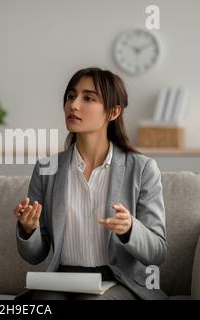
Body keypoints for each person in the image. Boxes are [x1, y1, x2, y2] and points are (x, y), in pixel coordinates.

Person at [13, 67, 167, 300]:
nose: (73, 105)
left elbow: (157, 252)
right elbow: (35, 255)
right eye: (71, 96)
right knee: (44, 301)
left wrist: (129, 229)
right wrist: (28, 229)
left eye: (88, 98)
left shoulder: (142, 168)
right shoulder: (47, 169)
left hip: (117, 281)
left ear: (113, 112)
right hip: (61, 279)